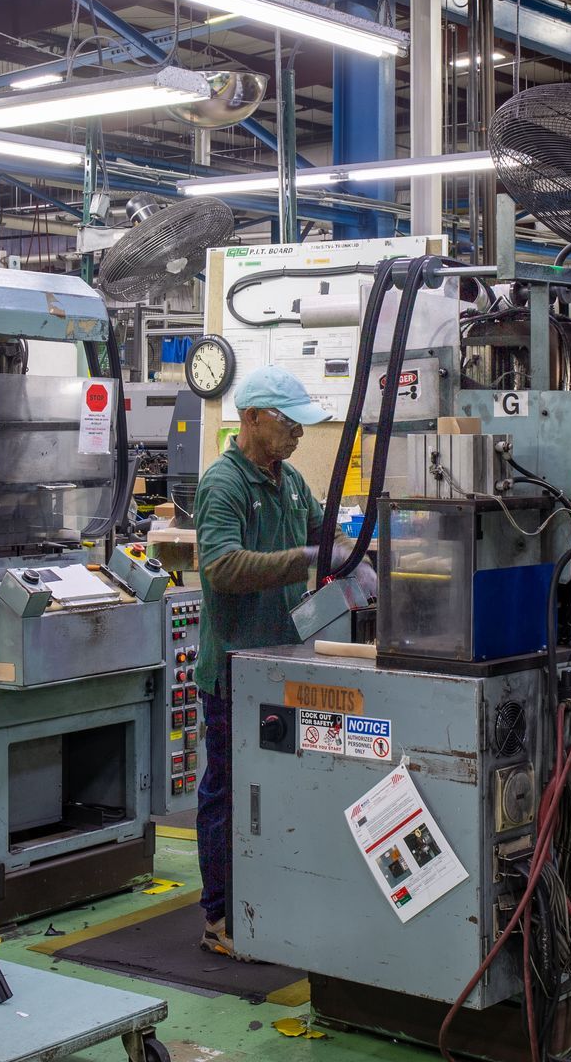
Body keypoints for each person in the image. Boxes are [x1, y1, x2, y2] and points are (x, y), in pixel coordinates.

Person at [191, 365, 372, 959]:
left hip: (283, 665)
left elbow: (323, 537)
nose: (297, 433)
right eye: (287, 423)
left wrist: (360, 549)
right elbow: (220, 567)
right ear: (251, 419)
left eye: (301, 424)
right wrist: (301, 560)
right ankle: (219, 915)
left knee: (278, 789)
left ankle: (269, 902)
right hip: (236, 671)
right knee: (228, 791)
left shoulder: (290, 481)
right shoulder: (225, 484)